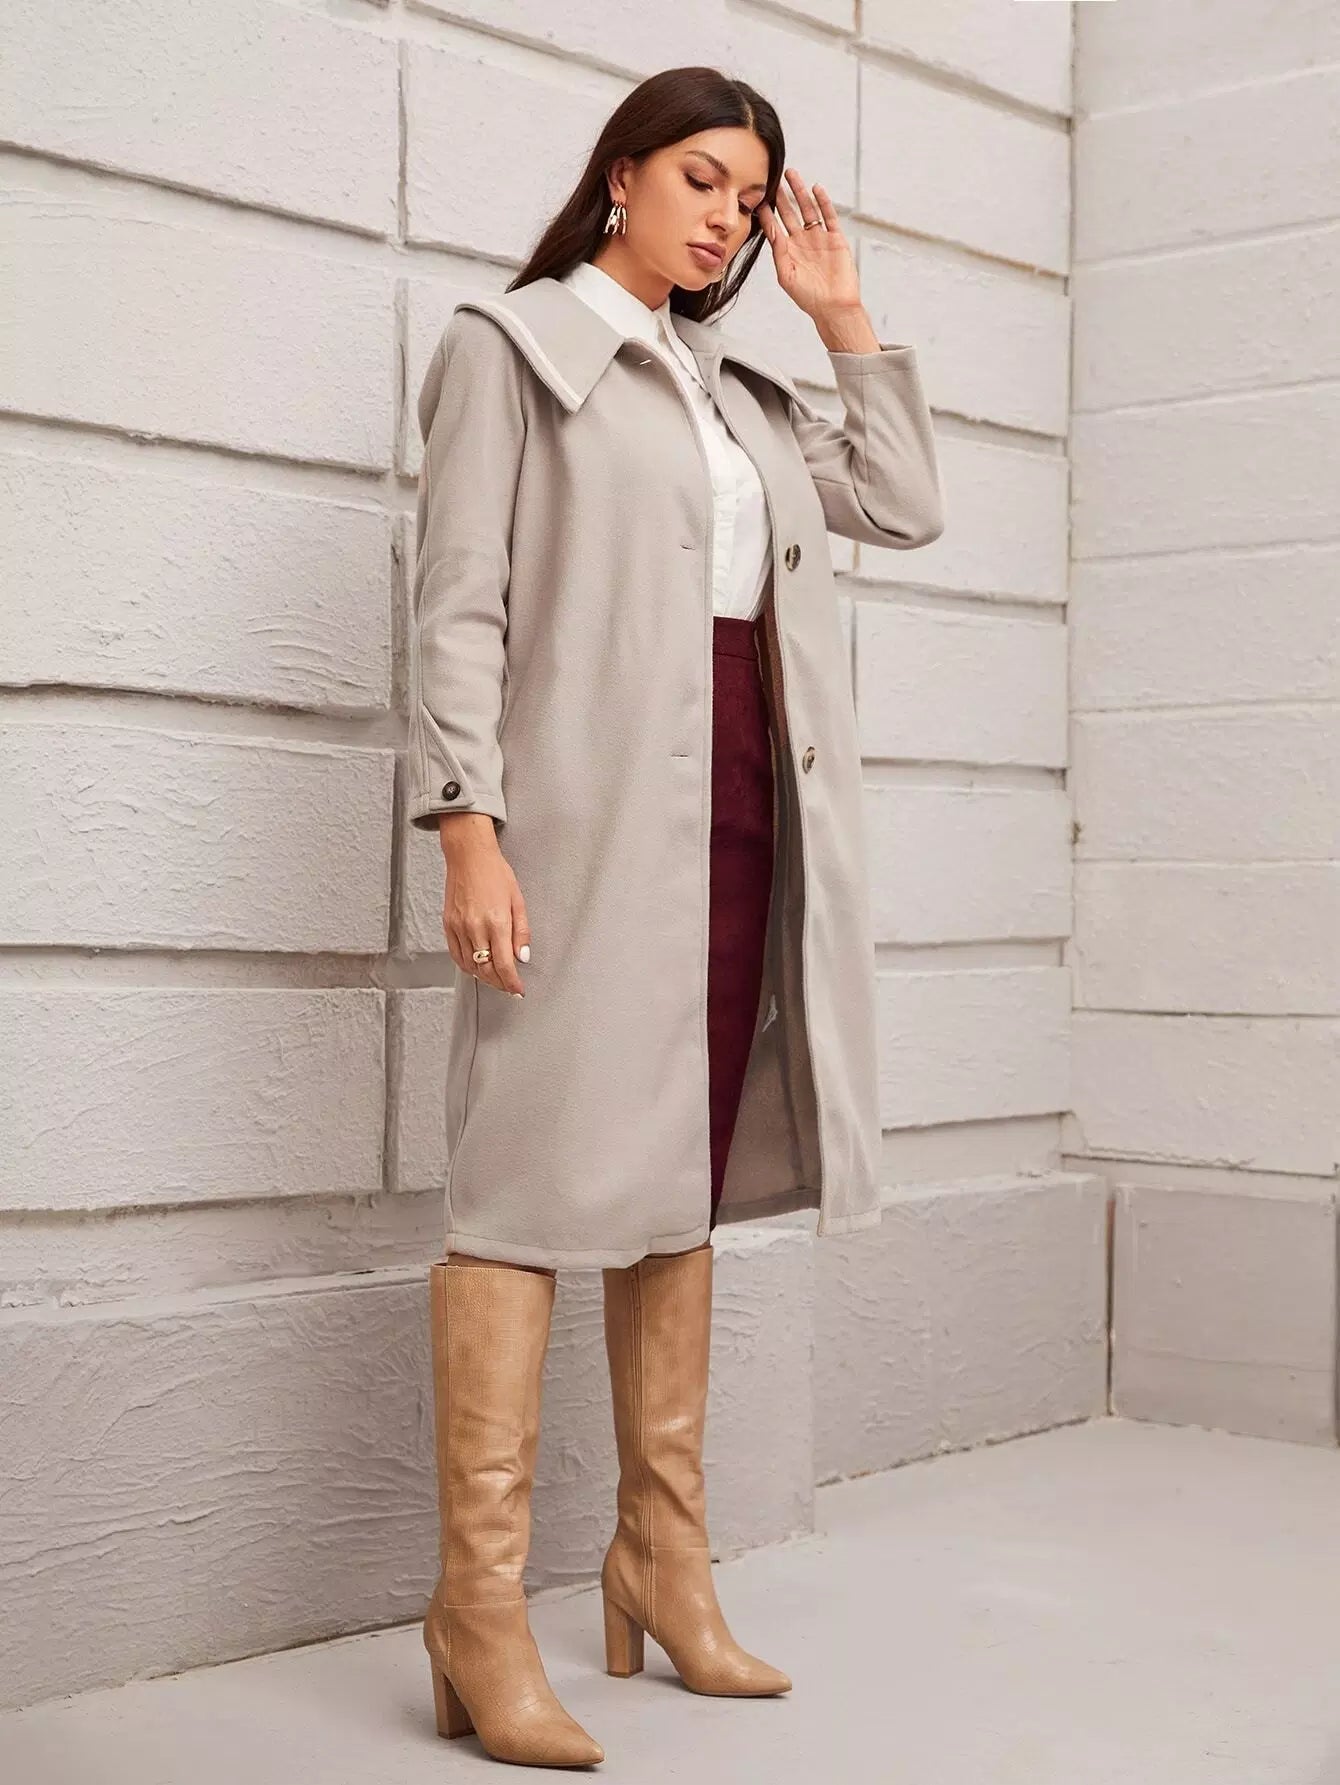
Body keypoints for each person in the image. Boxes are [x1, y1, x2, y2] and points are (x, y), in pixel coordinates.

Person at [409, 66, 944, 1769]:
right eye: (703, 179)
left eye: (753, 196)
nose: (729, 217)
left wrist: (840, 313)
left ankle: (662, 1552)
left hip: (741, 816)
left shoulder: (741, 392)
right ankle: (479, 1609)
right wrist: (469, 828)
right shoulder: (513, 352)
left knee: (678, 1180)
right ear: (623, 175)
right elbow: (459, 609)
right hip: (579, 829)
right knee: (519, 1184)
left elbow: (906, 503)